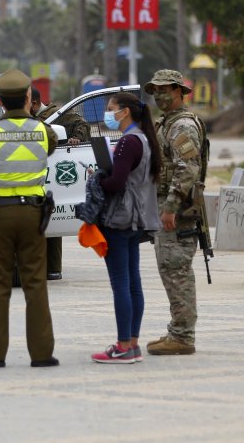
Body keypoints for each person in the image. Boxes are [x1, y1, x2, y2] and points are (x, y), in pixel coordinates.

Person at [0, 69, 59, 368]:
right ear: (29, 98)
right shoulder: (45, 132)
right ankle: (42, 353)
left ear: (0, 102)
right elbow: (51, 146)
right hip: (33, 215)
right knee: (35, 284)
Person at [89, 92, 162, 364]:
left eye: (111, 109)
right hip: (135, 219)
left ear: (126, 111)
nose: (108, 114)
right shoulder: (143, 139)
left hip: (119, 219)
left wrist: (96, 179)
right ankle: (132, 344)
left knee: (121, 283)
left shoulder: (127, 143)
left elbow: (116, 184)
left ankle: (122, 346)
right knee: (133, 282)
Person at [144, 69, 206, 356]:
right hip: (167, 207)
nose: (158, 95)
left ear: (180, 91)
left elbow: (188, 168)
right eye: (154, 90)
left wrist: (170, 207)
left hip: (178, 211)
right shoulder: (166, 122)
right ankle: (177, 330)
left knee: (176, 269)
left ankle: (183, 336)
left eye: (164, 89)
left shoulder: (181, 126)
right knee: (170, 268)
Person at [30, 87, 91, 281]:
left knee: (52, 222)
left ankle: (52, 269)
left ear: (34, 103)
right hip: (35, 172)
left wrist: (77, 139)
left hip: (54, 171)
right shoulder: (25, 119)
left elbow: (82, 125)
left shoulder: (56, 115)